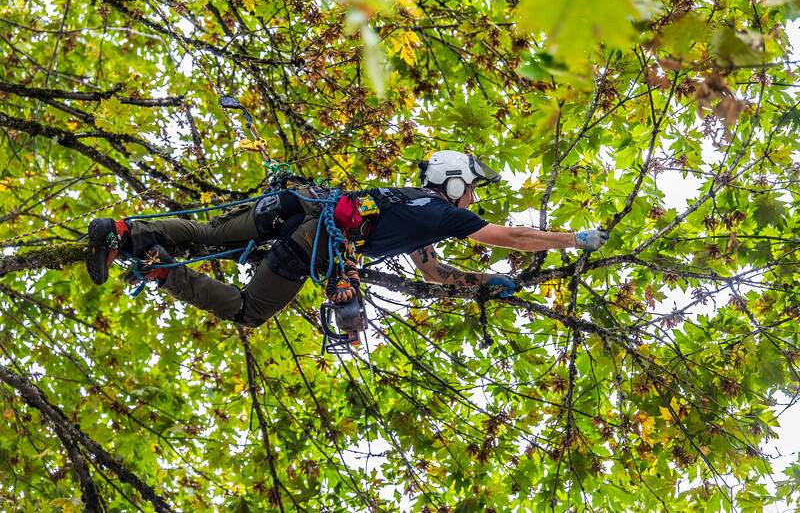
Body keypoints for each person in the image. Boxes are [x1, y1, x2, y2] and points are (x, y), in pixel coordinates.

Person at [85, 151, 609, 328]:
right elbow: (514, 238)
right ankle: (158, 266)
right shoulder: (440, 213)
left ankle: (124, 232)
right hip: (313, 239)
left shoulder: (411, 205)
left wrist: (484, 283)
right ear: (453, 185)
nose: (472, 198)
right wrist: (573, 239)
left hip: (296, 204)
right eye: (471, 188)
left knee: (206, 231)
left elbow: (432, 271)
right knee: (248, 311)